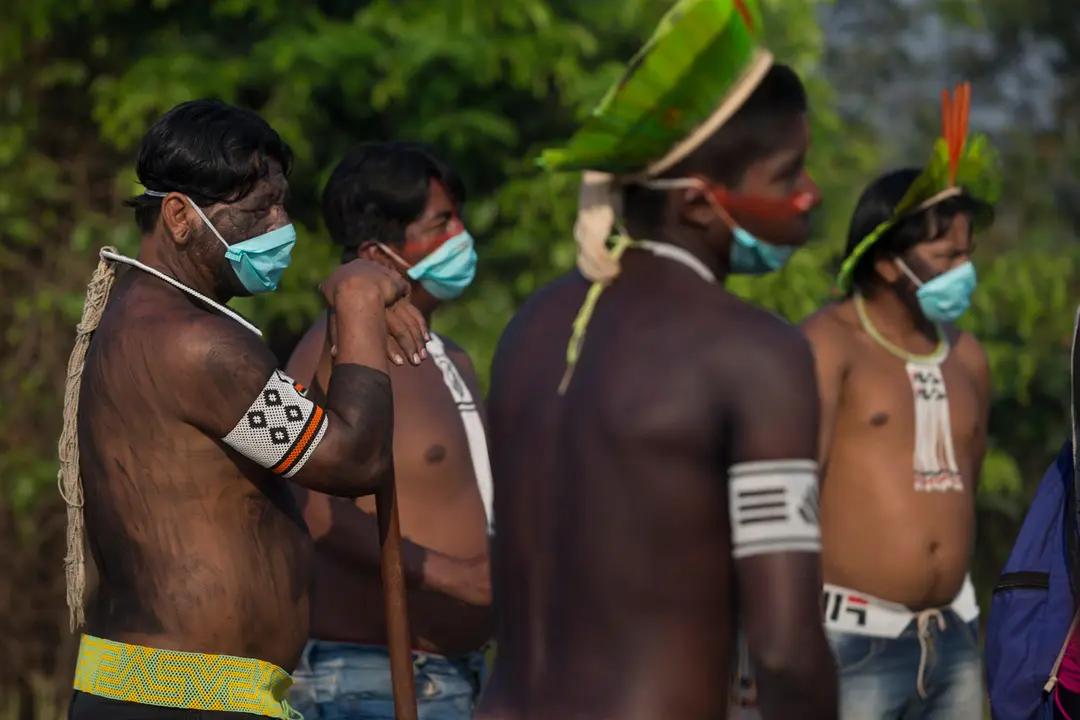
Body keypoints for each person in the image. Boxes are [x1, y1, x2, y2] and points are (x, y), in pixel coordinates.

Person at [476, 1, 838, 718]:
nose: (809, 195)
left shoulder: (532, 326)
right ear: (701, 203)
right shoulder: (754, 352)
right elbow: (784, 648)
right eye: (787, 173)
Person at [56, 99, 429, 720]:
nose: (280, 225)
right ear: (179, 215)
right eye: (259, 210)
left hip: (179, 695)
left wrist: (347, 324)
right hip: (181, 698)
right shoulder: (191, 341)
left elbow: (303, 438)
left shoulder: (167, 323)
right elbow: (352, 460)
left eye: (281, 204)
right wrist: (361, 300)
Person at [801, 82, 999, 719]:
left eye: (967, 255)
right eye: (945, 256)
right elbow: (786, 498)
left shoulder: (967, 356)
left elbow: (968, 479)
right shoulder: (830, 346)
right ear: (888, 263)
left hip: (954, 638)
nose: (962, 271)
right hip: (848, 644)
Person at [286, 141, 494, 720]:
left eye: (459, 217)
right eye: (441, 223)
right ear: (380, 252)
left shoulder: (451, 355)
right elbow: (305, 505)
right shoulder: (335, 351)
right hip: (370, 683)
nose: (461, 234)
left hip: (462, 679)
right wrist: (457, 578)